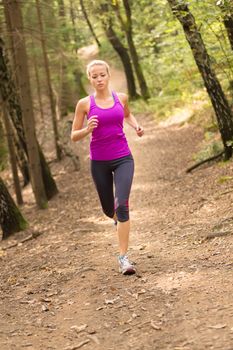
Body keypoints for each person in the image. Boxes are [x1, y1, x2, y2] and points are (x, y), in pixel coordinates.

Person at [71, 59, 144, 275]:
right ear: (90, 79)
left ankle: (123, 258)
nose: (99, 79)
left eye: (102, 75)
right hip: (99, 162)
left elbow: (127, 114)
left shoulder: (121, 98)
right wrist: (87, 129)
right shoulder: (84, 104)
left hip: (123, 158)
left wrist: (136, 126)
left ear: (108, 75)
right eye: (94, 76)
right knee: (108, 209)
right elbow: (74, 135)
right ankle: (117, 220)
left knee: (122, 205)